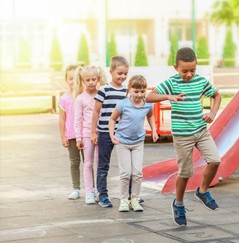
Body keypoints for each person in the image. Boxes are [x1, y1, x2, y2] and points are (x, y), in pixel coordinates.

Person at [145, 47, 221, 226]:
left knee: (215, 160)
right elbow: (149, 97)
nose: (189, 74)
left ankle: (202, 191)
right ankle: (178, 203)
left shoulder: (201, 81)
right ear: (175, 67)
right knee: (185, 173)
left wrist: (213, 112)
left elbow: (216, 96)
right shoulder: (172, 82)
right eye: (184, 71)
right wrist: (169, 96)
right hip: (182, 135)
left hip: (201, 130)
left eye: (192, 70)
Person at [109, 75, 158, 212]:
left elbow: (151, 116)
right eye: (136, 91)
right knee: (125, 173)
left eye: (142, 91)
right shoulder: (123, 104)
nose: (139, 94)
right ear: (129, 90)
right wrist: (112, 135)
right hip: (122, 142)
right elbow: (112, 119)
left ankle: (135, 199)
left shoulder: (147, 104)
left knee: (137, 173)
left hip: (138, 143)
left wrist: (154, 130)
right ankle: (124, 200)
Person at [91, 56, 129, 208]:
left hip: (122, 133)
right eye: (119, 73)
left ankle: (130, 194)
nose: (123, 77)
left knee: (127, 166)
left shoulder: (127, 91)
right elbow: (96, 112)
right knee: (103, 164)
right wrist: (93, 132)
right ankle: (103, 195)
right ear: (111, 71)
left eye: (125, 74)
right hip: (105, 132)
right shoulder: (103, 90)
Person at [74, 66, 107, 204]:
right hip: (87, 134)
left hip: (102, 132)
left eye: (94, 79)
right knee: (88, 163)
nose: (91, 82)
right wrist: (78, 137)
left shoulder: (102, 94)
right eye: (87, 80)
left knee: (101, 163)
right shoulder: (80, 98)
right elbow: (77, 119)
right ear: (82, 81)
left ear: (98, 79)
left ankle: (101, 190)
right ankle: (89, 191)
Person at [59, 65, 83, 200]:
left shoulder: (85, 96)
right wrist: (63, 136)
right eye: (70, 78)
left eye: (76, 78)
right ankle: (76, 188)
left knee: (89, 162)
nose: (73, 81)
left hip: (84, 134)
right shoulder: (64, 98)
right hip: (72, 135)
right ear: (66, 80)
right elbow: (62, 119)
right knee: (74, 162)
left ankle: (92, 188)